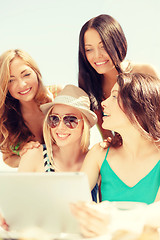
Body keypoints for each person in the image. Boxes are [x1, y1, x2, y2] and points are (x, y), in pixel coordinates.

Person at [71, 72, 160, 238]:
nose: (103, 103)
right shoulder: (99, 153)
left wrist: (113, 220)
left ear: (138, 104)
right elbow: (72, 201)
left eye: (114, 96)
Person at [78, 14, 159, 141]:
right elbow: (107, 135)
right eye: (89, 49)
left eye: (103, 46)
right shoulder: (90, 83)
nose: (97, 55)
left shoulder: (144, 71)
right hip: (125, 152)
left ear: (119, 43)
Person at [18, 84, 98, 201]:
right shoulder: (34, 155)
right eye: (54, 119)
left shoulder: (96, 161)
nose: (60, 127)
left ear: (84, 125)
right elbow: (15, 205)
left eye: (70, 120)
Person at [0, 49, 61, 168]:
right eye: (11, 80)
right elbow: (8, 158)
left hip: (71, 170)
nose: (22, 84)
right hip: (38, 177)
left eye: (26, 74)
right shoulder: (6, 119)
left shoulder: (58, 94)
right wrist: (25, 155)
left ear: (36, 73)